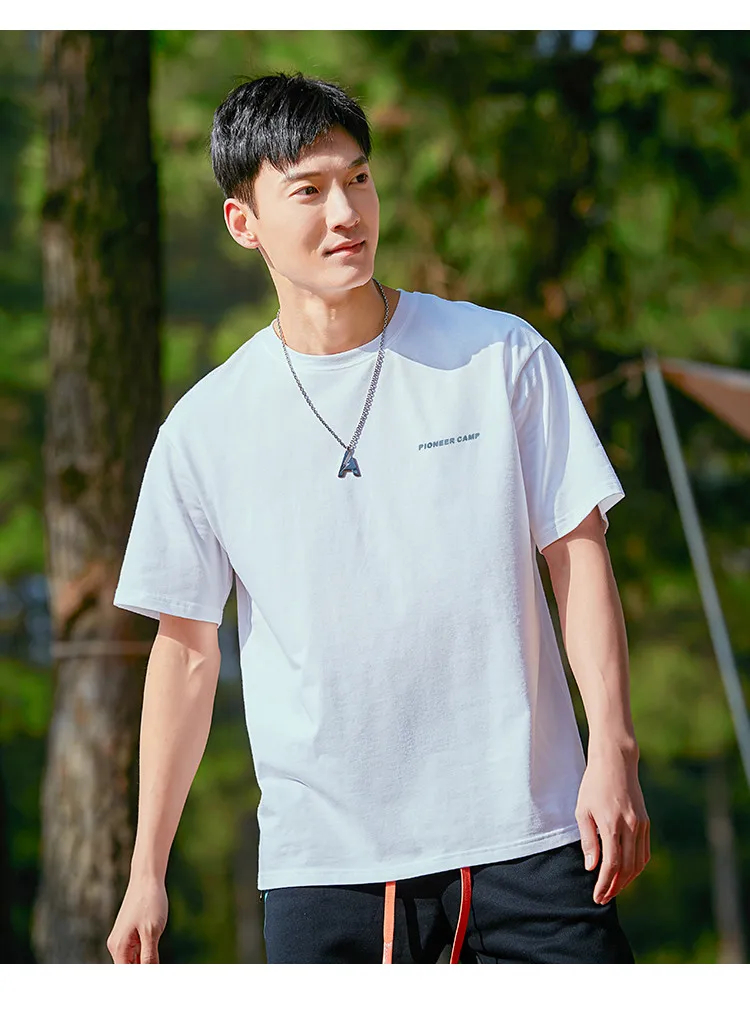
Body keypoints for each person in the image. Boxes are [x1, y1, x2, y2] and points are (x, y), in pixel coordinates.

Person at [107, 72, 649, 965]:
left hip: (536, 840)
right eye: (309, 191)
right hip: (328, 874)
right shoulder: (204, 428)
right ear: (244, 222)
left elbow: (578, 554)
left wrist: (613, 750)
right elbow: (187, 652)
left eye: (358, 178)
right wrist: (146, 868)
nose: (346, 213)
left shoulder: (499, 354)